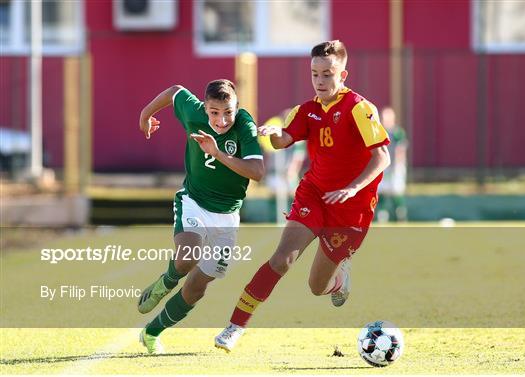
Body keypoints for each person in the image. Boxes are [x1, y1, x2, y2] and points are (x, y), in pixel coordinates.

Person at [214, 40, 391, 352]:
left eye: (327, 74)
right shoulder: (306, 111)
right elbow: (285, 140)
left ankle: (339, 279)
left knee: (316, 287)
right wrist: (274, 136)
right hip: (314, 195)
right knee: (281, 260)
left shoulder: (360, 109)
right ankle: (235, 326)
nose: (320, 81)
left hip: (352, 209)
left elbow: (382, 158)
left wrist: (353, 187)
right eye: (315, 74)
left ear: (343, 74)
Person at [137, 79, 264, 354]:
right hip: (194, 201)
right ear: (205, 108)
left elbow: (257, 171)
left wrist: (217, 153)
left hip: (227, 216)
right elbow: (174, 92)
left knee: (197, 286)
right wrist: (145, 115)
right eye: (214, 112)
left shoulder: (245, 125)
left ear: (237, 107)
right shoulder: (194, 113)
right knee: (187, 257)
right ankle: (167, 282)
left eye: (228, 112)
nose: (221, 120)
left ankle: (151, 332)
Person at [377, 107, 408, 222]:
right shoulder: (379, 132)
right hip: (383, 167)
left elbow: (400, 150)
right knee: (381, 192)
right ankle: (382, 217)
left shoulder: (397, 133)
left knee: (396, 191)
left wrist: (397, 166)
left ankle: (400, 217)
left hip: (395, 167)